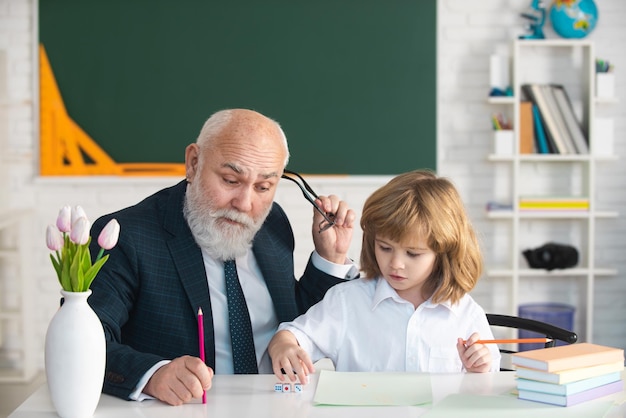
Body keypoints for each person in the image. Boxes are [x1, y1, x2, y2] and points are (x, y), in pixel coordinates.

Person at [87, 109, 357, 406]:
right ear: (193, 163)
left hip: (278, 404)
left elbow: (297, 322)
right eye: (230, 180)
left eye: (264, 187)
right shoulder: (126, 235)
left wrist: (329, 257)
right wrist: (153, 376)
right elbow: (87, 340)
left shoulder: (274, 223)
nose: (244, 204)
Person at [268, 169, 501, 384]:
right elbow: (293, 336)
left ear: (443, 253)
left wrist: (478, 369)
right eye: (385, 248)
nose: (396, 264)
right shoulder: (347, 302)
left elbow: (488, 382)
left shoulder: (466, 314)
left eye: (413, 253)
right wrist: (284, 346)